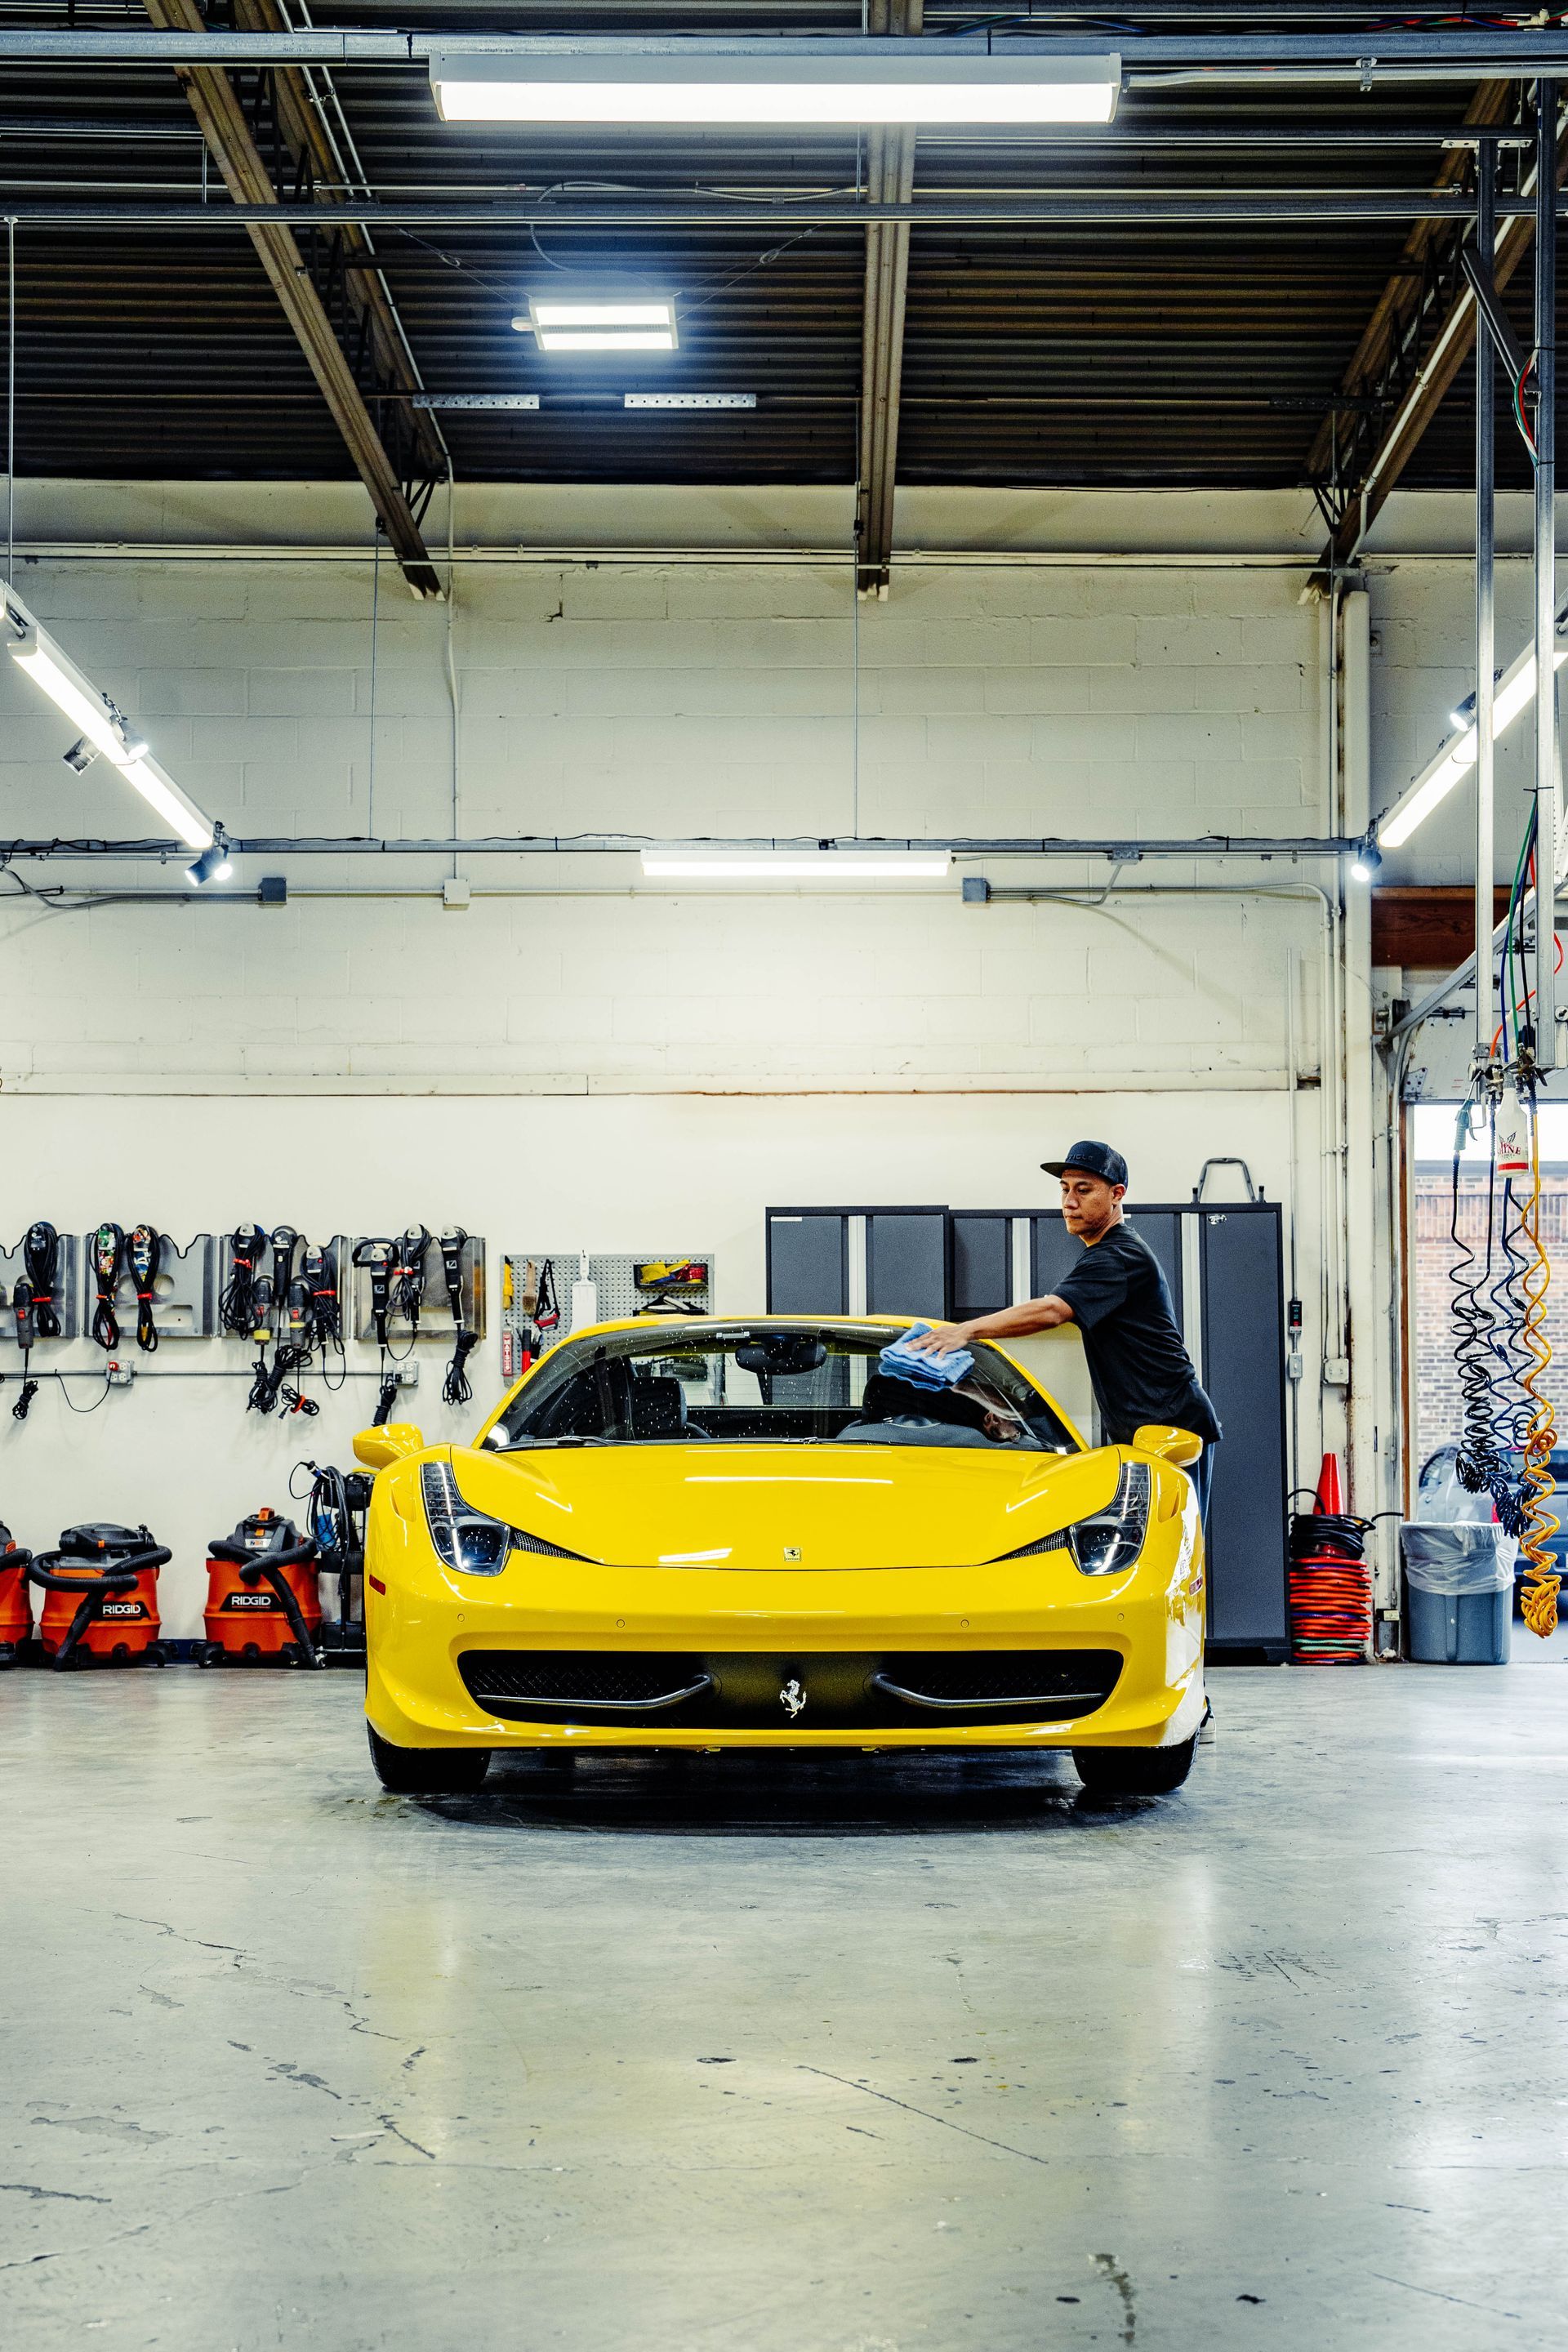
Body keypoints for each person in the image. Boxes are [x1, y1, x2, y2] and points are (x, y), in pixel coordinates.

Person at [907, 1139, 1221, 1523]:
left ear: (1117, 1195)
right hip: (1147, 1430)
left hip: (1173, 1431)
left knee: (1172, 1552)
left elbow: (1054, 1310)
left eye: (1084, 1190)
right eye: (1064, 1189)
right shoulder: (1102, 1253)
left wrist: (965, 1332)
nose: (1069, 1202)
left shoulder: (1119, 1254)